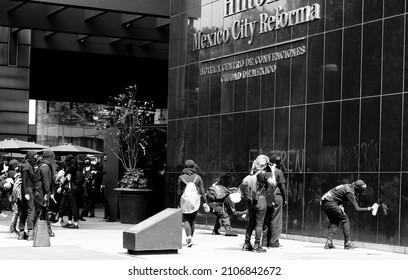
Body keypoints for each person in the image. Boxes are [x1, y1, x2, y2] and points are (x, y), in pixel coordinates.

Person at [320, 179, 376, 249]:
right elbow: (357, 208)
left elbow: (337, 195)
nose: (363, 191)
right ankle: (347, 243)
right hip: (330, 202)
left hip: (324, 201)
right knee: (345, 219)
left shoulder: (348, 186)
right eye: (362, 189)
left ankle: (328, 243)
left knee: (335, 222)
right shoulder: (350, 192)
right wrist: (369, 209)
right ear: (358, 188)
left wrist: (339, 205)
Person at [241, 155, 276, 253]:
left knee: (251, 222)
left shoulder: (251, 174)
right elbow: (273, 184)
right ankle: (257, 245)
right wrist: (272, 170)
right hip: (260, 200)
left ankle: (246, 244)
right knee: (259, 223)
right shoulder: (264, 174)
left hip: (250, 201)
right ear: (264, 165)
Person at [177, 159, 208, 247]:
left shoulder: (181, 177)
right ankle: (191, 238)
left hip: (185, 201)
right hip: (195, 201)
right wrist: (205, 202)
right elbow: (202, 191)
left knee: (186, 218)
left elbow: (179, 192)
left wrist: (179, 203)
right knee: (193, 219)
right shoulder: (198, 177)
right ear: (194, 166)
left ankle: (188, 236)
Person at [262, 155, 287, 248]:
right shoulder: (279, 172)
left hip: (266, 198)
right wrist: (285, 199)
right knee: (276, 220)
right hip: (277, 197)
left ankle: (264, 242)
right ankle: (273, 242)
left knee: (267, 220)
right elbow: (282, 187)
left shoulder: (265, 172)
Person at [33, 150, 56, 237]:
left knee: (44, 212)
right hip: (41, 193)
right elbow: (46, 182)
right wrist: (48, 193)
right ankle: (31, 231)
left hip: (40, 192)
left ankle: (48, 230)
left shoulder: (42, 165)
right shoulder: (46, 167)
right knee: (38, 211)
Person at [18, 151, 37, 241]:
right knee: (30, 211)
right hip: (27, 190)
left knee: (24, 211)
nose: (36, 158)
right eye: (34, 156)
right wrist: (25, 193)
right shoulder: (26, 166)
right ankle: (30, 233)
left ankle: (21, 233)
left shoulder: (28, 165)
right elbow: (24, 181)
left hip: (27, 190)